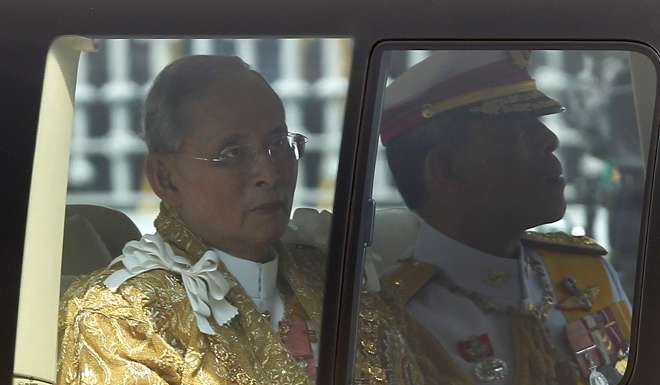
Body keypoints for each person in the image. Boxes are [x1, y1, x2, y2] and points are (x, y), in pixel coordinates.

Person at [57, 55, 424, 385]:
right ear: (165, 178)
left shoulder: (334, 281)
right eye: (231, 153)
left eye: (278, 144)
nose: (269, 172)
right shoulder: (120, 317)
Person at [378, 50, 632, 385]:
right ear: (444, 170)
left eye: (538, 124)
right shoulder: (397, 317)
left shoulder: (586, 271)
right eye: (513, 131)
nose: (549, 140)